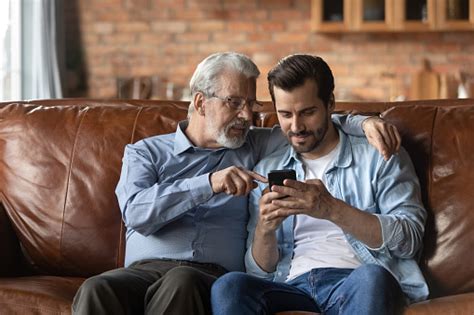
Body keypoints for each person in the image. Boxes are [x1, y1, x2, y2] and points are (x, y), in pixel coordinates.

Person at [72, 52, 401, 315]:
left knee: (181, 281)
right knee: (95, 289)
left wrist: (366, 122)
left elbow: (308, 125)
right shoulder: (146, 153)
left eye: (251, 104)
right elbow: (136, 213)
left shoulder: (253, 145)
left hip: (208, 274)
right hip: (144, 270)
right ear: (201, 102)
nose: (247, 116)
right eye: (234, 103)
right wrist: (209, 183)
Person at [211, 54, 428, 315]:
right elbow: (259, 271)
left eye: (308, 112)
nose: (296, 126)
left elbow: (410, 239)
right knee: (229, 286)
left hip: (356, 281)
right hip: (292, 286)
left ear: (330, 104)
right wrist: (265, 230)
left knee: (372, 278)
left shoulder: (379, 155)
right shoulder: (267, 169)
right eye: (285, 114)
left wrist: (331, 209)